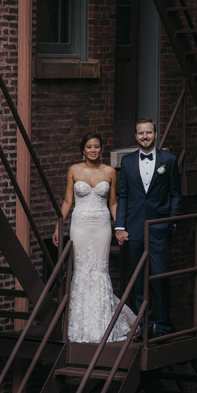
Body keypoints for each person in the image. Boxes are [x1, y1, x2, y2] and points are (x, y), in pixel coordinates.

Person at [53, 132, 136, 343]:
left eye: (97, 147)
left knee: (99, 270)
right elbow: (67, 201)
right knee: (82, 271)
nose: (93, 150)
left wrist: (120, 227)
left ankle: (102, 326)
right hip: (79, 226)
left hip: (101, 226)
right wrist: (57, 225)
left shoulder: (109, 171)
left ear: (101, 149)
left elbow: (113, 203)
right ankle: (81, 327)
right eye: (89, 146)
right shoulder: (73, 170)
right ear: (83, 149)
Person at [114, 118, 182, 338]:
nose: (145, 136)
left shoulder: (169, 160)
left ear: (155, 134)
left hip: (159, 228)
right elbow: (122, 195)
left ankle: (162, 324)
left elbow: (176, 194)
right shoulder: (126, 162)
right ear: (136, 136)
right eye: (140, 133)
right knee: (139, 276)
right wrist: (120, 226)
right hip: (134, 228)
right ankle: (145, 323)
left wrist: (172, 221)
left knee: (161, 276)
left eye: (148, 133)